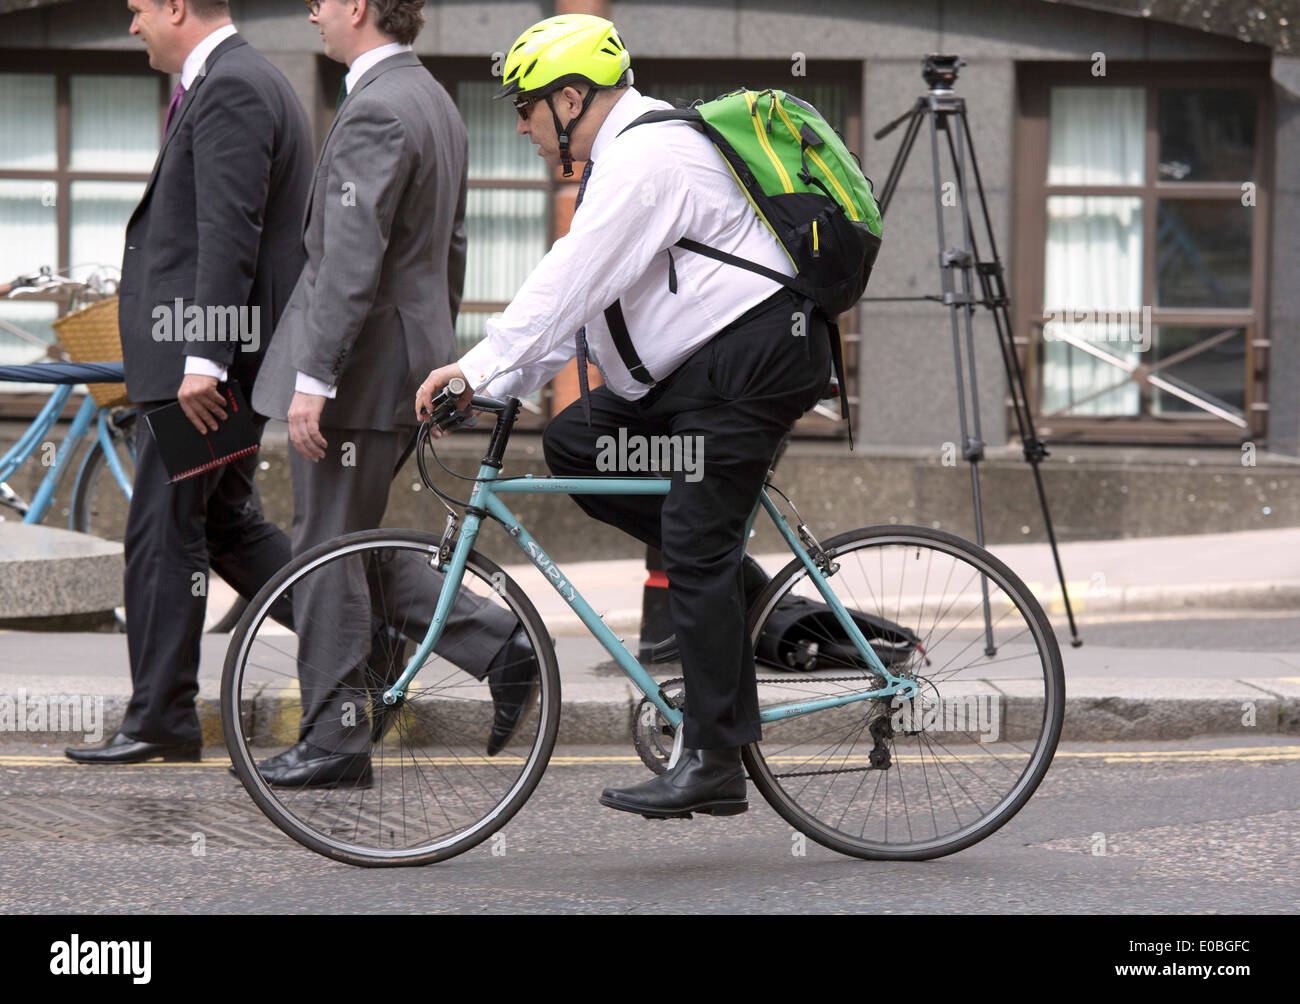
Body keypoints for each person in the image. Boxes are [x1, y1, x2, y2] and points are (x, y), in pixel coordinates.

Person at [416, 14, 832, 819]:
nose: (521, 124)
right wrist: (503, 381)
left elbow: (572, 274)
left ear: (571, 97)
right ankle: (742, 600)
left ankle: (715, 760)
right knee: (577, 438)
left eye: (526, 105)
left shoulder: (647, 154)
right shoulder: (622, 158)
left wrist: (476, 368)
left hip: (752, 366)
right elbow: (588, 301)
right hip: (705, 371)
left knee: (695, 546)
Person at [249, 0, 531, 789]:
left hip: (361, 366)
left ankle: (337, 741)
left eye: (324, 1)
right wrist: (434, 364)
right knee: (350, 539)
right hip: (399, 363)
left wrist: (315, 379)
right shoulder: (432, 99)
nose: (312, 12)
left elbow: (349, 259)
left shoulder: (377, 106)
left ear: (362, 8)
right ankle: (497, 644)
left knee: (325, 548)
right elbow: (452, 247)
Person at [67, 0, 312, 765]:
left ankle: (161, 718)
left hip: (207, 368)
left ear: (176, 6)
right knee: (224, 524)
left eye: (139, 9)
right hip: (212, 359)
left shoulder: (235, 84)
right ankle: (376, 642)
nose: (133, 24)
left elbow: (228, 232)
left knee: (163, 534)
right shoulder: (235, 80)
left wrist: (202, 359)